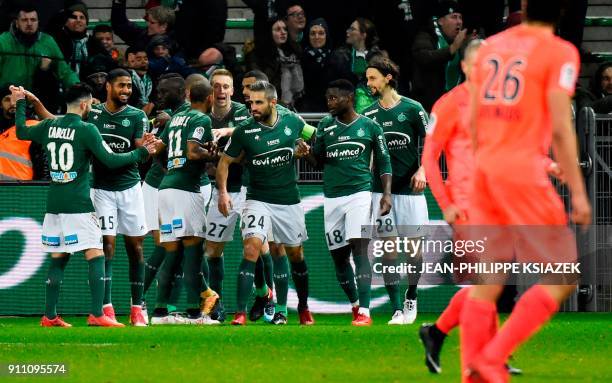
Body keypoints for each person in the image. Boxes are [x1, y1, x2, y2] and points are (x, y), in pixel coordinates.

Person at [460, 0, 591, 380]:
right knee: (564, 276)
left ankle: (473, 374)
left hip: (485, 168)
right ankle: (493, 356)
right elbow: (562, 128)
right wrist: (578, 193)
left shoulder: (492, 48)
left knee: (488, 280)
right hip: (521, 174)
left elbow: (473, 120)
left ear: (523, 5)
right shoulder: (560, 52)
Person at [419, 38, 525, 377]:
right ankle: (480, 358)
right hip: (466, 206)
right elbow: (430, 160)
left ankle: (437, 333)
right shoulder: (449, 104)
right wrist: (446, 204)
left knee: (489, 284)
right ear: (464, 66)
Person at [11, 83, 157, 327]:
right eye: (90, 103)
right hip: (78, 203)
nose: (92, 107)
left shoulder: (49, 125)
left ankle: (49, 316)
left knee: (59, 256)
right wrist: (141, 154)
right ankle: (98, 314)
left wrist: (19, 103)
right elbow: (110, 160)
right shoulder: (86, 129)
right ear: (83, 104)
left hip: (54, 203)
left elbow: (22, 132)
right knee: (96, 254)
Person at [217, 80, 314, 326]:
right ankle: (240, 312)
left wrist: (305, 151)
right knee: (251, 249)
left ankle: (298, 307)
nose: (253, 107)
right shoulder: (244, 131)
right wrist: (223, 193)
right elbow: (224, 163)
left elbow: (316, 140)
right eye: (251, 102)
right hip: (257, 199)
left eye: (259, 102)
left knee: (294, 254)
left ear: (273, 102)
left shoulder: (293, 121)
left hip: (288, 200)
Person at [299, 79, 392, 326]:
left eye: (334, 98)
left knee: (360, 251)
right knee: (339, 258)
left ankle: (365, 311)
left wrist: (387, 194)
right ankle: (354, 305)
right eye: (327, 98)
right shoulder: (326, 127)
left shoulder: (370, 127)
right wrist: (305, 153)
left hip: (359, 195)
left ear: (349, 98)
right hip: (332, 198)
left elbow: (384, 162)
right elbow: (318, 162)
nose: (329, 103)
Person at [363, 57, 429, 325]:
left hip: (411, 193)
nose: (369, 84)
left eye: (372, 78)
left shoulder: (412, 109)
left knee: (414, 252)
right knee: (388, 250)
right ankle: (396, 308)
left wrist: (423, 170)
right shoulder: (369, 115)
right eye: (367, 79)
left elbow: (433, 142)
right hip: (382, 193)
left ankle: (411, 295)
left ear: (388, 78)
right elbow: (367, 154)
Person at [151, 80, 220, 325]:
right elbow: (193, 152)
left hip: (166, 188)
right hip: (185, 191)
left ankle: (159, 313)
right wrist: (215, 154)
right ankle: (194, 313)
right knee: (192, 253)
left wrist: (173, 169)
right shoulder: (201, 120)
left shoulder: (175, 119)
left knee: (172, 253)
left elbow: (159, 151)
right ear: (210, 98)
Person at [86, 69, 151, 326]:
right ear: (108, 87)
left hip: (130, 188)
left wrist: (149, 148)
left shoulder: (137, 116)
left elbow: (143, 151)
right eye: (121, 86)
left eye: (129, 87)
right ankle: (107, 307)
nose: (126, 91)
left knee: (136, 248)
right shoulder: (92, 113)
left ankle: (137, 307)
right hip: (100, 189)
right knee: (106, 246)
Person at [141, 74, 193, 324]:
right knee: (169, 246)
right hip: (157, 186)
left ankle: (164, 306)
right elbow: (156, 155)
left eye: (163, 92)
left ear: (182, 92)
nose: (158, 97)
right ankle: (143, 302)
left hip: (179, 186)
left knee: (178, 247)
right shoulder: (162, 118)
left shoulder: (190, 115)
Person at [202, 69, 250, 322]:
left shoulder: (242, 111)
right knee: (213, 250)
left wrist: (226, 132)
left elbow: (248, 127)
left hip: (248, 188)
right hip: (220, 189)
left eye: (226, 87)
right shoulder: (202, 117)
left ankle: (267, 298)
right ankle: (215, 304)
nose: (221, 91)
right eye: (217, 86)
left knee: (258, 246)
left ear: (233, 90)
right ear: (211, 90)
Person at [0, 6, 78, 102]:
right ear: (17, 23)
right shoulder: (3, 41)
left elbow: (64, 72)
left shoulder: (48, 41)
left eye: (33, 20)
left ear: (38, 22)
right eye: (24, 20)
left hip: (38, 101)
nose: (29, 23)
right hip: (8, 99)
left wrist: (79, 89)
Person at [411, 1, 468, 111]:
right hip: (429, 105)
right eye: (454, 17)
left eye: (460, 18)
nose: (459, 22)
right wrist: (452, 49)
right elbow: (424, 58)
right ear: (441, 21)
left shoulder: (460, 41)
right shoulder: (426, 35)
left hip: (456, 102)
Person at [328, 18, 385, 113]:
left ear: (363, 35)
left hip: (376, 110)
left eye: (352, 29)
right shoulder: (340, 57)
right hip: (349, 113)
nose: (347, 31)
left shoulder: (379, 58)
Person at [246, 18, 304, 109]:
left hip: (295, 104)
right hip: (268, 104)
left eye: (285, 29)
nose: (283, 32)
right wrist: (277, 63)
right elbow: (260, 83)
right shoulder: (257, 55)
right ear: (269, 33)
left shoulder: (294, 53)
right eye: (278, 29)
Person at [300, 18, 332, 112]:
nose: (316, 37)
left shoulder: (335, 57)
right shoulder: (301, 58)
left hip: (330, 109)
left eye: (321, 33)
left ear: (327, 35)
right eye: (313, 33)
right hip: (306, 111)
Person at [125, 46, 154, 115]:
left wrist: (151, 104)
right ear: (130, 61)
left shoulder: (152, 78)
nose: (143, 62)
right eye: (138, 59)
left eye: (146, 59)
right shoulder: (125, 78)